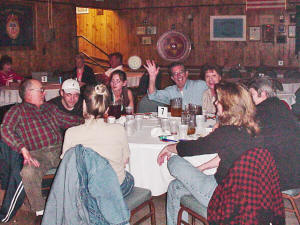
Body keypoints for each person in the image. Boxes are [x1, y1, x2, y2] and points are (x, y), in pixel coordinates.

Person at [157, 82, 260, 225]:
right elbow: (225, 156)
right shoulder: (250, 128)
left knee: (174, 161)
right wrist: (202, 168)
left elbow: (192, 149)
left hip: (222, 196)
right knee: (175, 186)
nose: (215, 102)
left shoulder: (227, 133)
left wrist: (169, 147)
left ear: (228, 105)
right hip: (245, 193)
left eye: (218, 100)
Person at [0, 79, 83, 216]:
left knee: (80, 160)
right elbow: (5, 129)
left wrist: (91, 120)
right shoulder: (17, 111)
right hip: (37, 154)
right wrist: (23, 149)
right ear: (29, 93)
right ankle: (41, 210)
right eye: (41, 90)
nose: (44, 92)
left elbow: (70, 120)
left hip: (59, 150)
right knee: (28, 172)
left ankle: (76, 202)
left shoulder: (49, 108)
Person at [61, 83, 134, 197]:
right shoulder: (119, 130)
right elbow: (125, 160)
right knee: (129, 177)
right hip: (114, 188)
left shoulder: (70, 133)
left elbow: (67, 166)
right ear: (107, 109)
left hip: (85, 191)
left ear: (84, 105)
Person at [249, 77, 300, 191]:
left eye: (251, 94)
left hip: (282, 178)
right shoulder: (281, 106)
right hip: (295, 171)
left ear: (263, 94)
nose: (249, 99)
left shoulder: (260, 112)